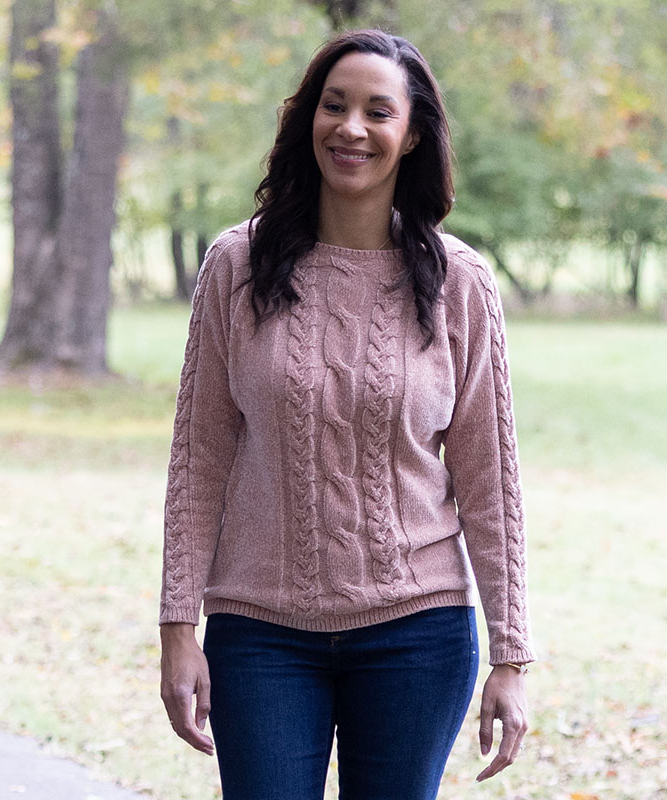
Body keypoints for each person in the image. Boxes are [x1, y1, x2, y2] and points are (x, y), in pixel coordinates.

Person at [159, 28, 536, 800]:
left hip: (416, 632)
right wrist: (177, 632)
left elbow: (489, 480)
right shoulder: (238, 266)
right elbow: (199, 459)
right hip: (259, 633)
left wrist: (511, 654)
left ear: (412, 133)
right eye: (334, 106)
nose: (351, 129)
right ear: (308, 120)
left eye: (377, 111)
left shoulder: (459, 283)